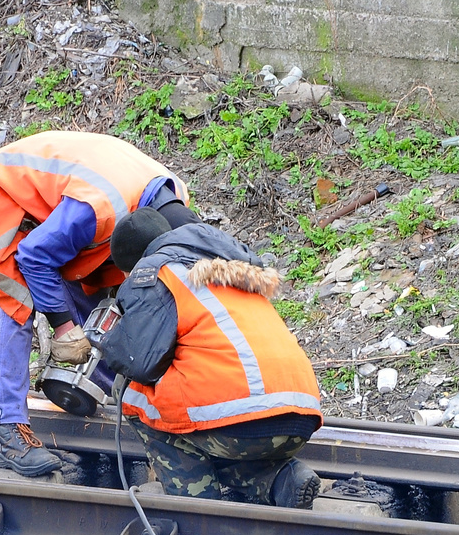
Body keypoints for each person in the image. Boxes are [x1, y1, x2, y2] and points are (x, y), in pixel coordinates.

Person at [0, 131, 191, 476]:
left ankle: (102, 396)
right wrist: (65, 328)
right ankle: (10, 433)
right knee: (18, 301)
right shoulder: (97, 208)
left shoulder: (176, 199)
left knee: (97, 290)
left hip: (66, 204)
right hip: (6, 195)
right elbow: (34, 255)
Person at [94, 206, 323, 508]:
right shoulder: (229, 264)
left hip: (239, 420)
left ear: (131, 263)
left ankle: (194, 500)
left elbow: (140, 362)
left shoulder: (156, 271)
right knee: (202, 431)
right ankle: (278, 480)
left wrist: (108, 342)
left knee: (133, 394)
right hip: (299, 416)